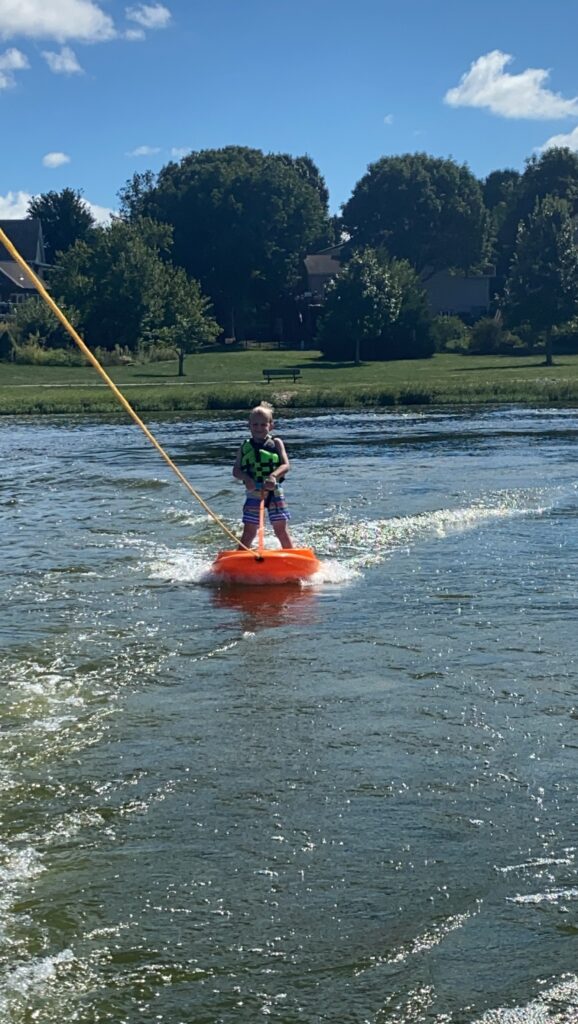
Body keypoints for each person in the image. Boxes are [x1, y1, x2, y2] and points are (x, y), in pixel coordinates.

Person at [233, 402, 294, 549]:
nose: (259, 428)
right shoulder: (244, 447)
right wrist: (247, 479)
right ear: (249, 425)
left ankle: (292, 555)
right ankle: (240, 557)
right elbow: (236, 471)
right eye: (255, 425)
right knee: (249, 531)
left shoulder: (276, 443)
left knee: (280, 529)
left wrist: (273, 476)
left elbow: (286, 465)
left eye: (263, 424)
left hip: (275, 492)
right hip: (253, 492)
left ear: (270, 426)